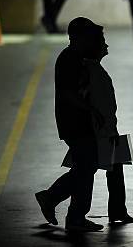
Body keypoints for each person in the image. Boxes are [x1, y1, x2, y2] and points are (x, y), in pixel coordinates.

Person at [35, 17, 106, 232]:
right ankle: (56, 201)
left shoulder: (78, 57)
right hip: (74, 122)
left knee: (86, 167)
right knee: (86, 168)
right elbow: (67, 93)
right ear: (77, 37)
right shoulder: (69, 59)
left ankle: (72, 212)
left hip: (80, 122)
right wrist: (90, 109)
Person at [58, 34, 133, 224]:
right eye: (101, 41)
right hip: (103, 131)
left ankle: (118, 210)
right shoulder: (92, 71)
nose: (106, 44)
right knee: (86, 170)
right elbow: (96, 104)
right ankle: (52, 197)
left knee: (111, 170)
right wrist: (105, 129)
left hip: (107, 128)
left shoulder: (94, 69)